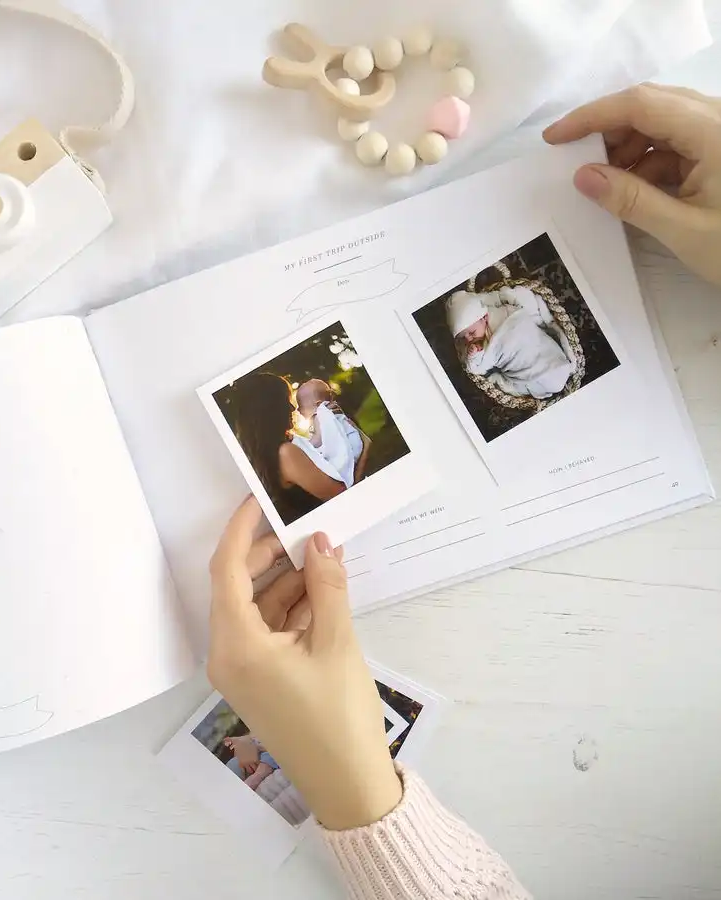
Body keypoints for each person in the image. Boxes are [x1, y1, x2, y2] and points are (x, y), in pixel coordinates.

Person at [207, 82, 721, 900]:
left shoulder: (493, 324)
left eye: (314, 395)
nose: (315, 400)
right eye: (308, 398)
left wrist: (355, 792)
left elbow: (359, 443)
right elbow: (343, 450)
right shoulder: (312, 433)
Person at [232, 372, 346, 525]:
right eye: (286, 400)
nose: (293, 407)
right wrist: (364, 446)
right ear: (271, 409)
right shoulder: (286, 453)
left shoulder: (262, 459)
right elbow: (343, 496)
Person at [446, 285, 574, 400]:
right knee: (511, 385)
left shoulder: (501, 312)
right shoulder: (480, 347)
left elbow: (515, 307)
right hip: (525, 371)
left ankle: (554, 369)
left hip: (541, 354)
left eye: (472, 332)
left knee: (511, 381)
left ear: (484, 317)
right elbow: (476, 368)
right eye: (463, 337)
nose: (468, 339)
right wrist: (473, 356)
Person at [296, 379, 372, 487]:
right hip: (355, 443)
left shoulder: (320, 415)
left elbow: (317, 441)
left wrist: (303, 446)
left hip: (348, 451)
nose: (298, 409)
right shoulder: (335, 413)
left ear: (318, 405)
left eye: (301, 405)